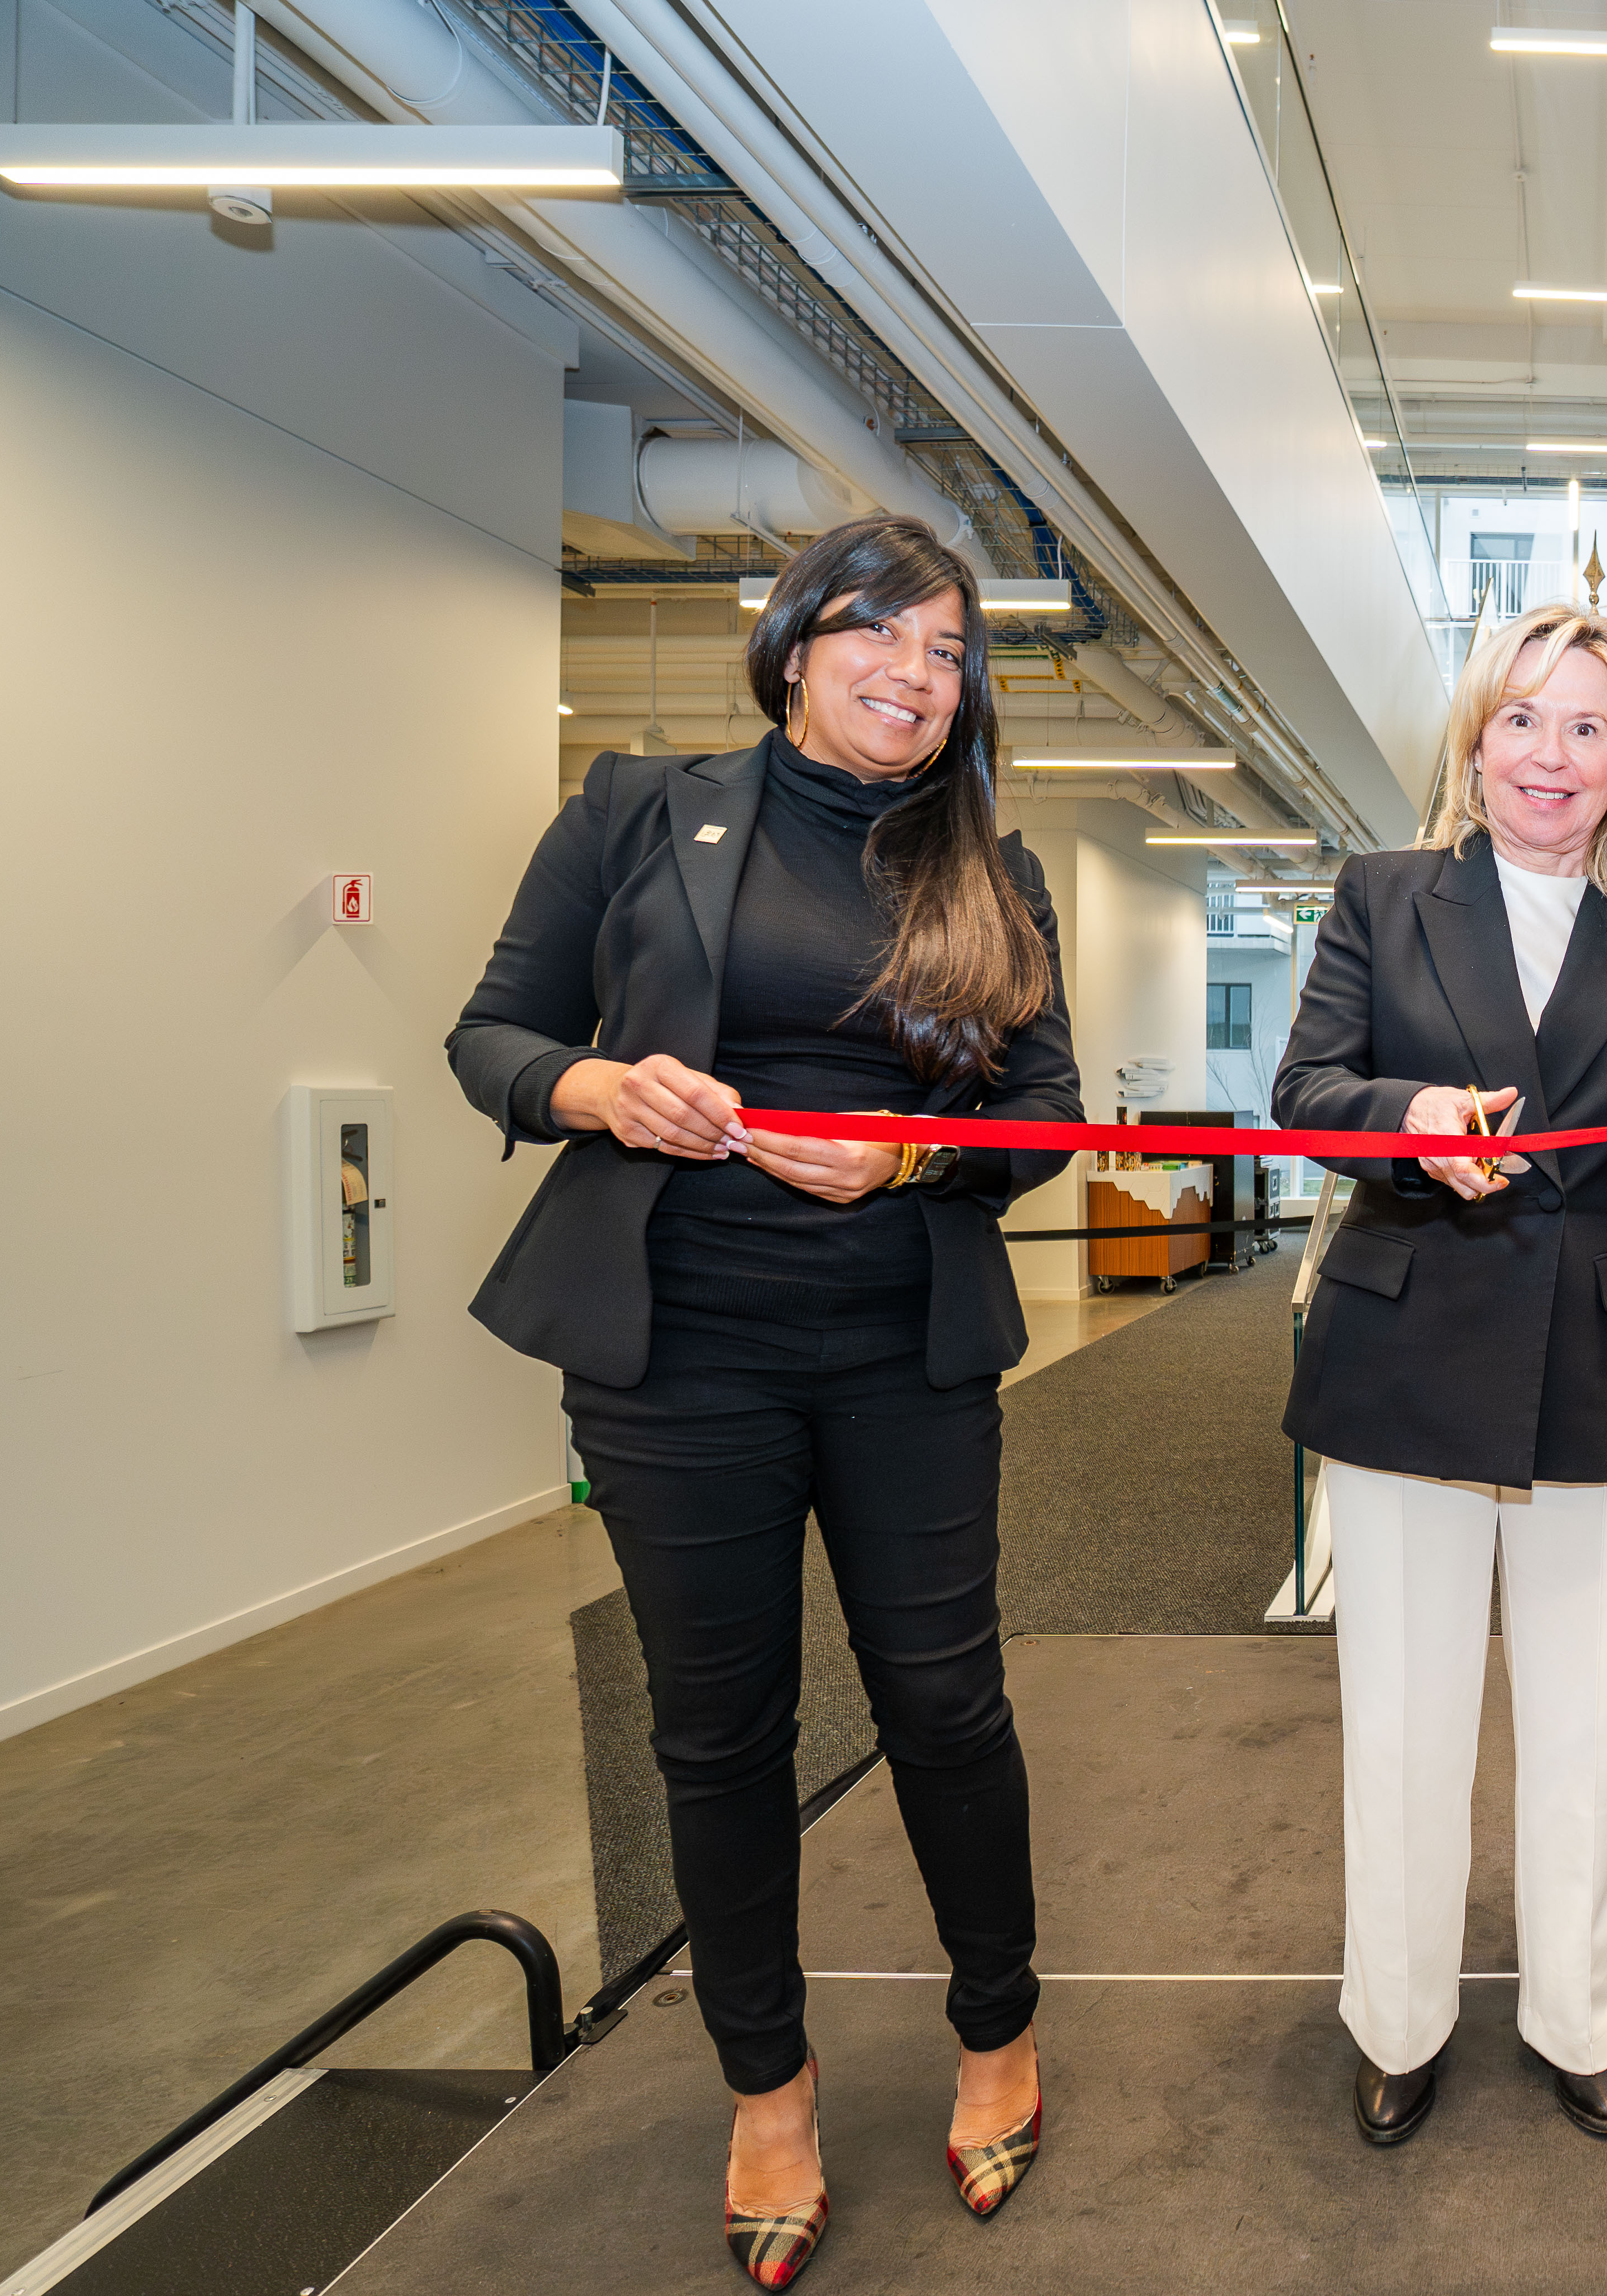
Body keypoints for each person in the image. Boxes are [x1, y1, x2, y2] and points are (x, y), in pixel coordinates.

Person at [448, 515, 1080, 2288]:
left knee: (947, 1707)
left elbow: (1050, 1111)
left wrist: (909, 1157)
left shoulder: (988, 866)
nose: (914, 672)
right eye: (880, 632)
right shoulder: (638, 811)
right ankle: (769, 2086)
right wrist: (589, 1084)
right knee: (716, 1731)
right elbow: (490, 1032)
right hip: (676, 1354)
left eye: (949, 651)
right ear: (796, 643)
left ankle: (998, 2030)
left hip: (904, 1348)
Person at [1275, 601, 1607, 2151]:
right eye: (1524, 720)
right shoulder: (1384, 895)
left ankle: (1582, 2017)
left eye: (1588, 728)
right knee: (1401, 1724)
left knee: (1588, 1724)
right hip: (1408, 1353)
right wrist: (1407, 1116)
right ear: (1479, 742)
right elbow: (1307, 1095)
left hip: (1602, 1370)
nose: (1553, 756)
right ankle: (1397, 2024)